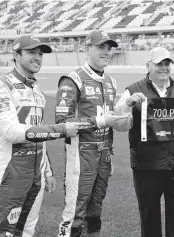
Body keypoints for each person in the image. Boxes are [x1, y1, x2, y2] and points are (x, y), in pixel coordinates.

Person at [0, 35, 85, 237]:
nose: (37, 57)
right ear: (15, 55)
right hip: (11, 173)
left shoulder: (37, 89)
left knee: (27, 230)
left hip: (36, 174)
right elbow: (10, 132)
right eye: (31, 52)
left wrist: (46, 171)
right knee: (1, 233)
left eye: (40, 53)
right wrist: (61, 129)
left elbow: (38, 133)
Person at [56, 30, 130, 237]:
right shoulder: (72, 80)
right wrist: (99, 121)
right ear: (87, 49)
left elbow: (109, 123)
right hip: (81, 154)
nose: (106, 52)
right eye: (100, 47)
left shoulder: (111, 82)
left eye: (109, 48)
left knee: (95, 209)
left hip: (103, 155)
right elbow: (62, 123)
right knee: (75, 212)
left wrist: (109, 154)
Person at [114, 47, 174, 237]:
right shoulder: (133, 90)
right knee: (150, 222)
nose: (164, 68)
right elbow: (118, 123)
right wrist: (128, 104)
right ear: (148, 66)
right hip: (147, 167)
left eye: (167, 64)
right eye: (159, 64)